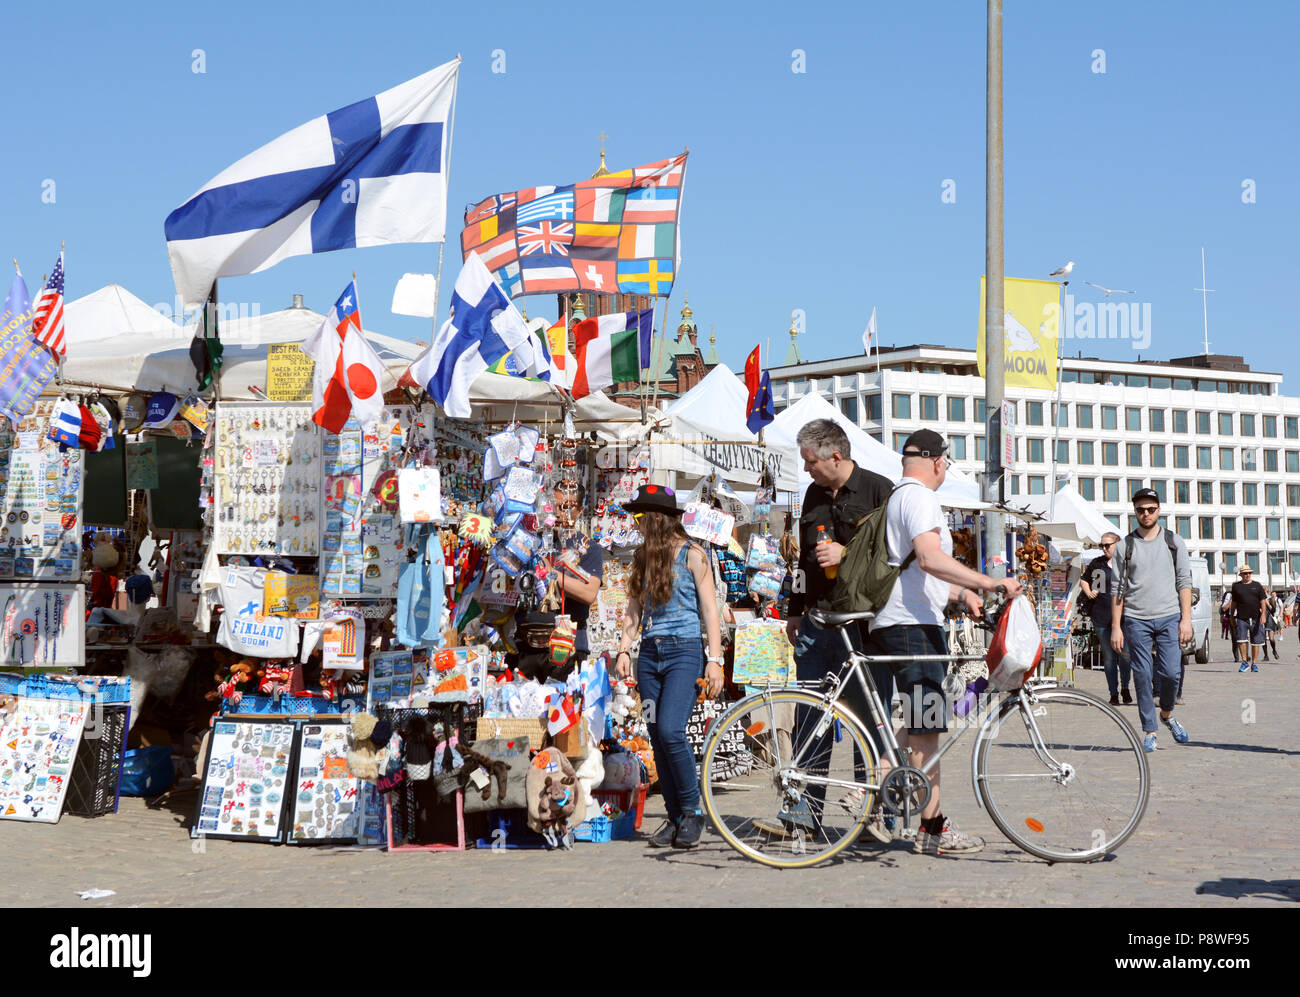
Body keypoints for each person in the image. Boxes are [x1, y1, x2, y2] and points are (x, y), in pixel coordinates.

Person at [867, 430, 1022, 856]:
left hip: (901, 622)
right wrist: (989, 581)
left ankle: (880, 789)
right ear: (938, 462)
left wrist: (961, 594)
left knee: (921, 724)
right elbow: (930, 558)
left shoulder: (897, 497)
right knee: (927, 729)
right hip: (912, 627)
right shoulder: (919, 498)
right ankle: (927, 825)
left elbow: (916, 572)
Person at [780, 418, 893, 837]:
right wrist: (795, 608)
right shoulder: (811, 494)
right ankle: (804, 817)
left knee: (870, 718)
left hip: (866, 625)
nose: (806, 469)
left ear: (836, 456)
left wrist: (849, 554)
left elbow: (893, 558)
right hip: (819, 621)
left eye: (811, 462)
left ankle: (875, 816)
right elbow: (804, 562)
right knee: (811, 718)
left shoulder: (880, 491)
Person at [612, 485, 724, 850]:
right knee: (657, 733)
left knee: (673, 730)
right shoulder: (644, 557)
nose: (636, 524)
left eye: (641, 517)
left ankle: (693, 811)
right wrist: (624, 649)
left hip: (684, 653)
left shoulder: (693, 555)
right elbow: (634, 608)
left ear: (657, 519)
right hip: (649, 657)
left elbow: (710, 611)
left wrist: (715, 659)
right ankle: (675, 817)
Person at [1111, 489, 1193, 752]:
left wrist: (1186, 620)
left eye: (1150, 509)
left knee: (1171, 673)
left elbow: (1184, 582)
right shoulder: (1125, 546)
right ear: (1134, 512)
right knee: (1143, 675)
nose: (1145, 514)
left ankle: (1167, 715)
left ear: (1159, 510)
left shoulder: (1173, 541)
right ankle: (1150, 730)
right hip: (1136, 619)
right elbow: (1117, 590)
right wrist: (1116, 627)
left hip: (1170, 616)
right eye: (1140, 510)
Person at [1079, 532, 1131, 706]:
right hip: (1101, 616)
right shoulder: (1097, 563)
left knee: (1125, 655)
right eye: (1102, 545)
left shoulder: (1126, 563)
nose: (1104, 548)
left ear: (1117, 544)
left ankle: (1125, 687)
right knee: (1108, 657)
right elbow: (1084, 580)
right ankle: (1113, 693)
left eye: (1107, 545)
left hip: (1124, 618)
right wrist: (1088, 592)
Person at [556, 532, 604, 660]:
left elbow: (589, 594)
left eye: (564, 509)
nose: (558, 513)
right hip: (527, 641)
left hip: (571, 641)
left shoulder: (589, 547)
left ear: (580, 511)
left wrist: (550, 573)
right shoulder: (532, 541)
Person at [1226, 566, 1266, 672]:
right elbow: (1234, 602)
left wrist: (1263, 615)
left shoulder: (1257, 585)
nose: (1247, 575)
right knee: (1241, 640)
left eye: (1249, 573)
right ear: (1241, 575)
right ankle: (1244, 662)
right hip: (1241, 617)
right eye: (1245, 573)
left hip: (1256, 617)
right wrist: (1231, 616)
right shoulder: (1236, 587)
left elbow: (1263, 601)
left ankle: (1254, 663)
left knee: (1256, 642)